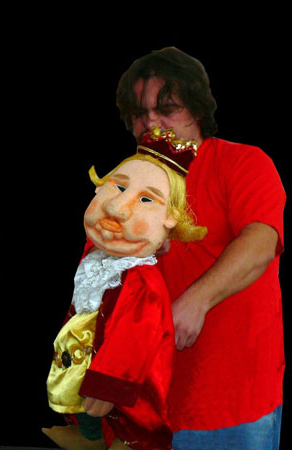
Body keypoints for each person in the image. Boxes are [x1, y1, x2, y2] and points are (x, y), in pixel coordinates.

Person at [113, 47, 285, 449]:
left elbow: (262, 241)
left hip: (232, 406)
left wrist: (196, 300)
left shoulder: (243, 162)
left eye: (166, 109)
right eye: (139, 113)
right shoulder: (127, 184)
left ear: (198, 109)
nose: (150, 123)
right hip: (144, 407)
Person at [44, 127, 206, 450]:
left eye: (146, 200)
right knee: (82, 399)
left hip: (126, 383)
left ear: (169, 219)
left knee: (127, 419)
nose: (117, 207)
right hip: (85, 358)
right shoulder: (98, 258)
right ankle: (92, 434)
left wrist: (107, 387)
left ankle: (125, 441)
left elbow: (132, 341)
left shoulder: (142, 284)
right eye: (118, 187)